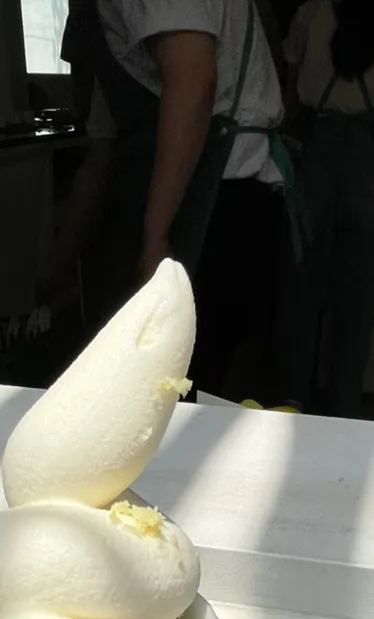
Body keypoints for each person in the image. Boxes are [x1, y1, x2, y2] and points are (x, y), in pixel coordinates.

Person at [67, 0, 286, 398]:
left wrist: (155, 238)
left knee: (190, 395)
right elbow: (102, 153)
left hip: (220, 202)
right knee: (182, 393)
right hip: (212, 199)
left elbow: (193, 77)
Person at [277, 0, 374, 415]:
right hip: (369, 156)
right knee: (359, 296)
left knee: (301, 286)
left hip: (314, 152)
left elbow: (289, 102)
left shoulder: (311, 10)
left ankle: (292, 397)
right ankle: (343, 404)